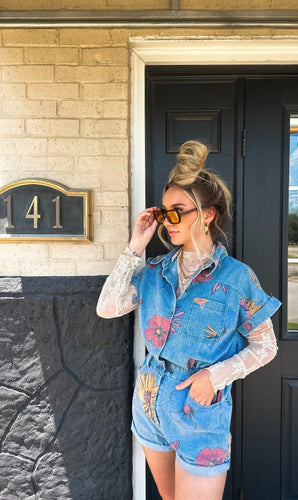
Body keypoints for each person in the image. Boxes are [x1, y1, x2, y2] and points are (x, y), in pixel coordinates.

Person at [96, 140, 281, 500]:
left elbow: (266, 346)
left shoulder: (237, 277)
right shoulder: (152, 271)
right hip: (150, 399)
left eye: (177, 211)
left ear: (207, 214)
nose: (168, 222)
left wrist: (215, 376)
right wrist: (136, 245)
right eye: (164, 213)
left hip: (199, 409)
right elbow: (108, 307)